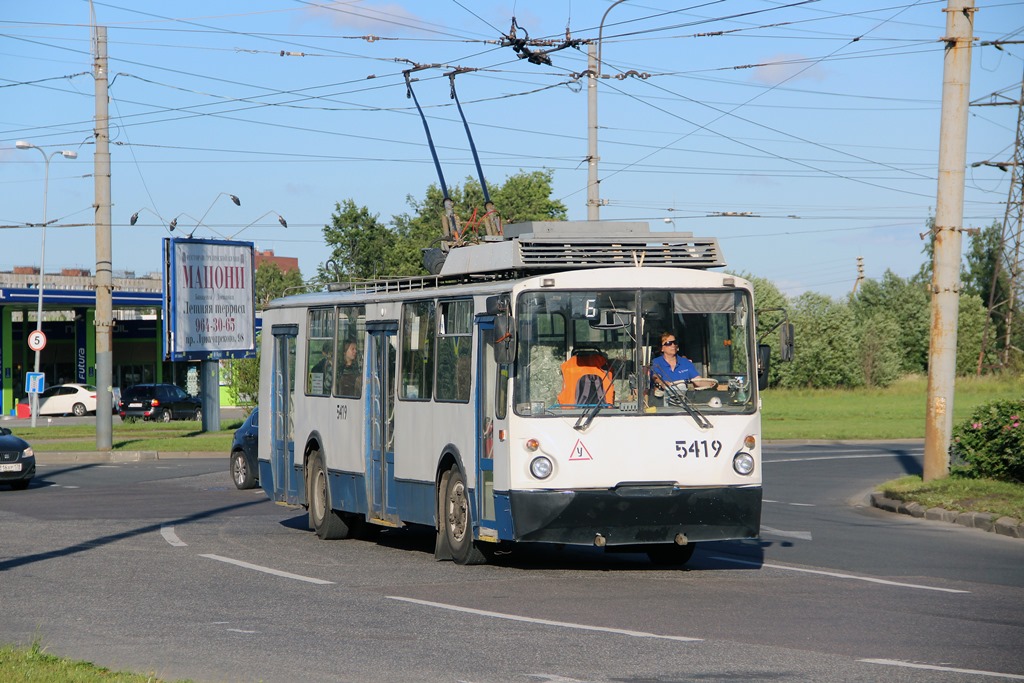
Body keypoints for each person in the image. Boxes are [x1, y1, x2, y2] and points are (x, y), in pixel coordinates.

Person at [650, 332, 701, 403]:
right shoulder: (656, 362)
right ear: (661, 348)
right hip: (662, 405)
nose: (673, 345)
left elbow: (698, 381)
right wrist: (662, 383)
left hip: (686, 405)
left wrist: (710, 384)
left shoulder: (685, 362)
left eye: (675, 342)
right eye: (668, 343)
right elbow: (656, 377)